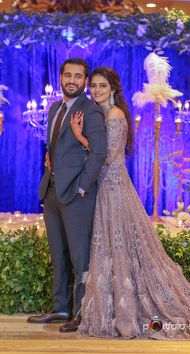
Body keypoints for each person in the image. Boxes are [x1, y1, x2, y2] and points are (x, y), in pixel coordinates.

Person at [70, 66, 190, 339]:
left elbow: (108, 157)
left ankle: (133, 313)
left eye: (102, 86)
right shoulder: (107, 113)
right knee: (115, 246)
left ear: (113, 88)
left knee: (123, 246)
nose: (96, 90)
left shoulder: (114, 115)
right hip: (109, 188)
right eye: (94, 86)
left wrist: (81, 139)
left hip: (114, 189)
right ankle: (116, 309)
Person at [27, 58, 107, 333]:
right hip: (51, 191)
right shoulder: (54, 109)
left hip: (76, 195)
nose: (72, 80)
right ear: (60, 78)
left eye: (78, 76)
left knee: (79, 256)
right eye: (68, 75)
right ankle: (60, 307)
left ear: (84, 81)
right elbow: (57, 146)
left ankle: (80, 313)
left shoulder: (91, 112)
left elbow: (99, 154)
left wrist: (83, 187)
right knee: (58, 254)